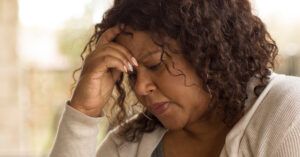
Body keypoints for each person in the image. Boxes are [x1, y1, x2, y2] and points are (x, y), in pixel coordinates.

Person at [49, 0, 300, 156]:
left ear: (206, 49)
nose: (140, 87)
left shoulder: (287, 113)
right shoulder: (127, 146)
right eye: (132, 72)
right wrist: (84, 111)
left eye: (155, 64)